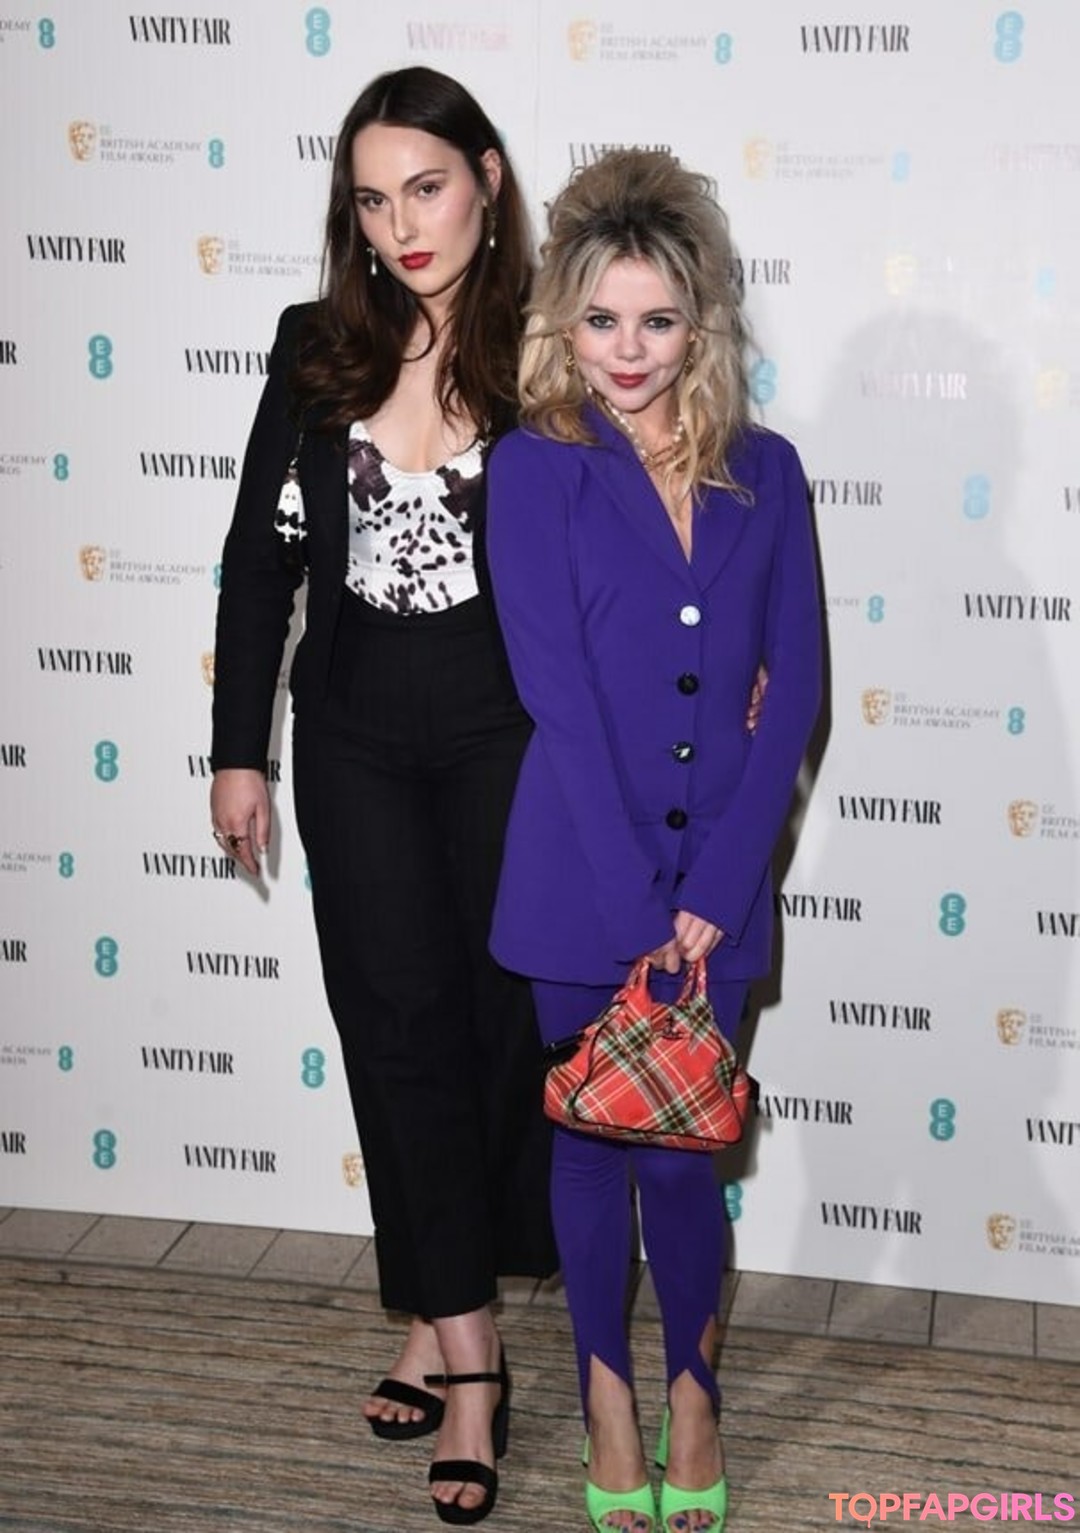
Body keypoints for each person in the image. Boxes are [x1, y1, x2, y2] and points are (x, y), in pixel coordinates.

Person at [208, 67, 557, 1526]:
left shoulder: (551, 344)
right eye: (371, 198)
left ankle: (432, 1298)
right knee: (392, 1023)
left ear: (486, 178)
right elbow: (258, 562)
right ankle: (471, 1364)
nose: (402, 224)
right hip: (352, 731)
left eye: (427, 186)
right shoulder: (317, 345)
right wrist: (238, 750)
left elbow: (630, 536)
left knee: (495, 1028)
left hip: (506, 731)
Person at [486, 150, 822, 1532]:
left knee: (684, 1153)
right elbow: (555, 694)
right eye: (602, 319)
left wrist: (721, 887)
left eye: (658, 321)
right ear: (564, 322)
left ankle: (693, 1394)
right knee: (586, 1144)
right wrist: (641, 905)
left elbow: (795, 689)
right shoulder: (533, 468)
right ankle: (607, 1400)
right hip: (581, 880)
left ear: (702, 324)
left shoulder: (769, 473)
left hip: (719, 888)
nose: (627, 351)